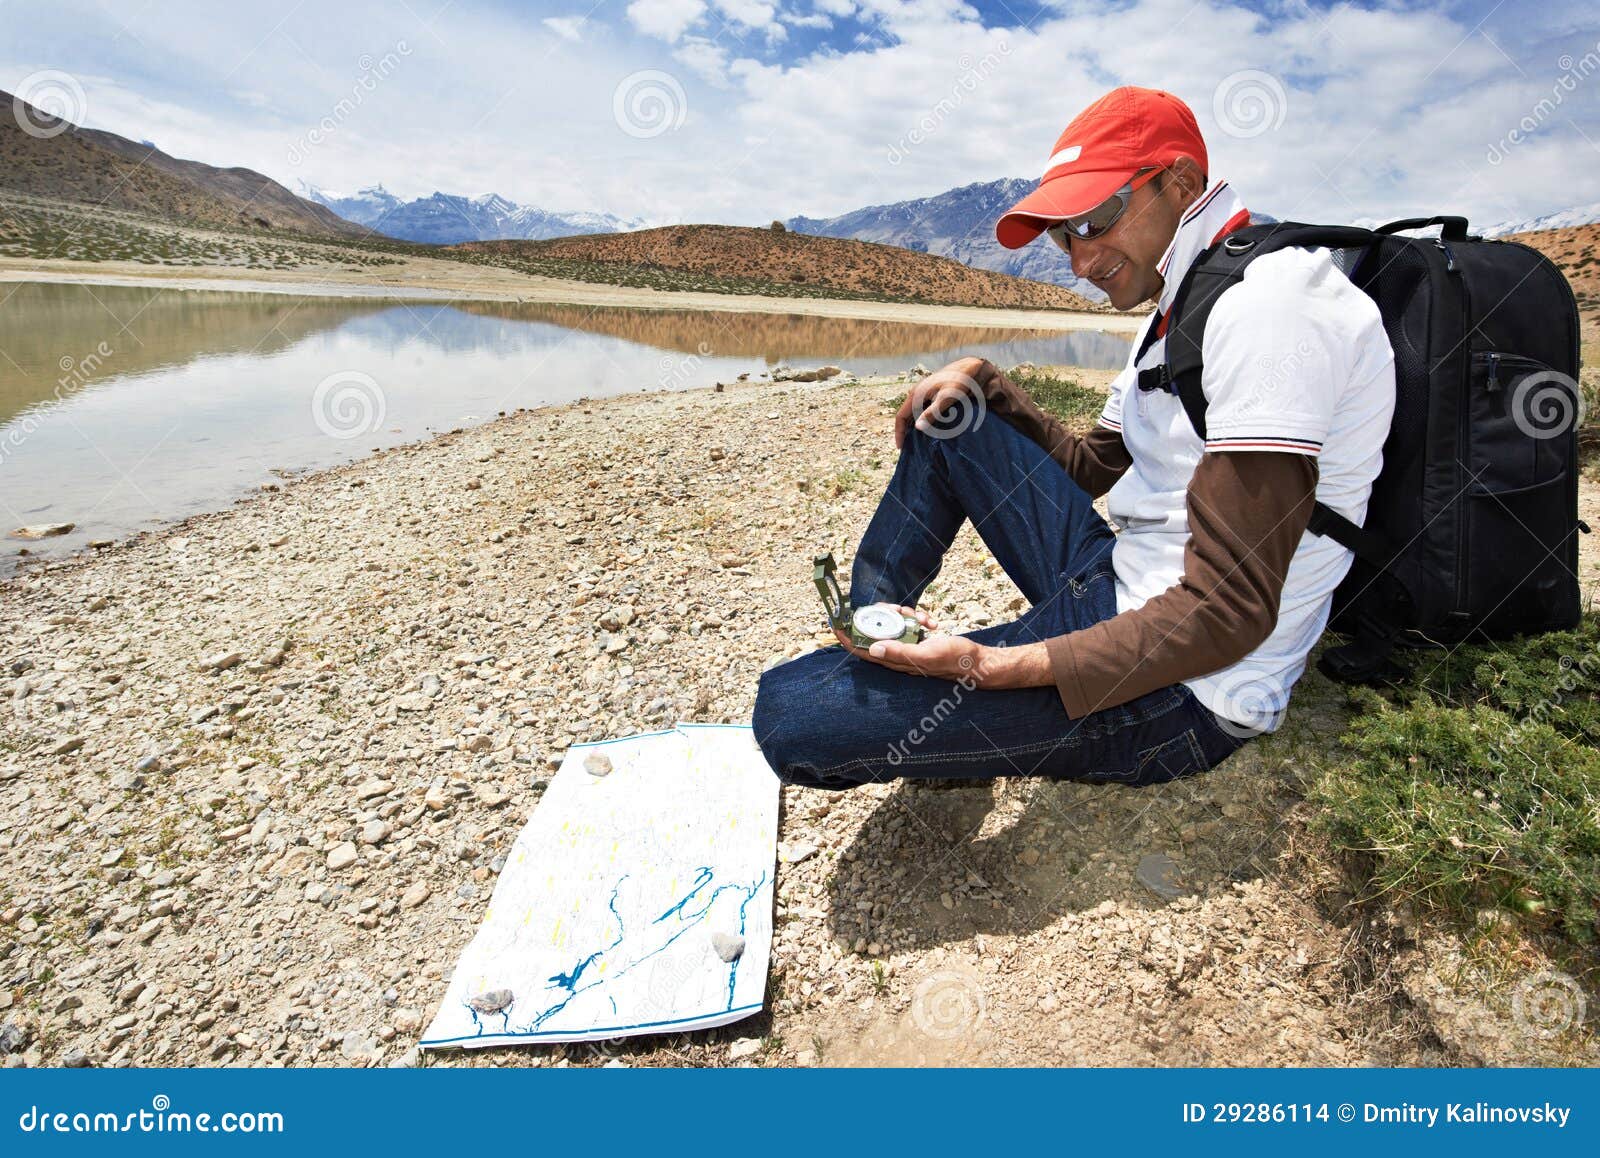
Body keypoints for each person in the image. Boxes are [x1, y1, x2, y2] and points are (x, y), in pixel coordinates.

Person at [753, 86, 1396, 791]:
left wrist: (985, 667)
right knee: (955, 417)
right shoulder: (1184, 300)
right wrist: (992, 386)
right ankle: (877, 630)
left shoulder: (1272, 308)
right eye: (1067, 236)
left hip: (1181, 689)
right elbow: (1094, 468)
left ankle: (903, 683)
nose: (1080, 263)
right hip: (1120, 579)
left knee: (791, 717)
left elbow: (1228, 611)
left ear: (1180, 182)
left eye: (1098, 220)